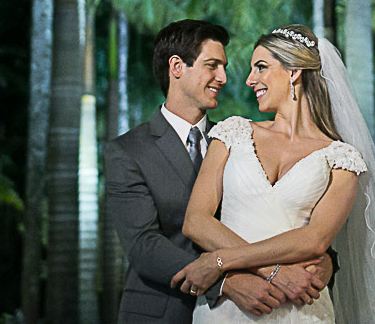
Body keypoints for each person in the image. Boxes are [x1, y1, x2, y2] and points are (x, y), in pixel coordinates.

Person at [174, 25, 375, 323]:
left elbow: (314, 240)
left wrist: (220, 260)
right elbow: (196, 221)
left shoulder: (341, 159)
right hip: (228, 308)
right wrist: (274, 272)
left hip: (300, 309)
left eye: (261, 67)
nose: (250, 80)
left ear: (294, 72)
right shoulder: (231, 132)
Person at [105, 19, 330, 324]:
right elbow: (144, 246)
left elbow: (281, 220)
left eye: (223, 66)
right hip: (162, 312)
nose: (223, 77)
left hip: (249, 312)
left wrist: (326, 262)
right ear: (176, 67)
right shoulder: (129, 151)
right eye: (212, 65)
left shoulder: (238, 141)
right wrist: (227, 281)